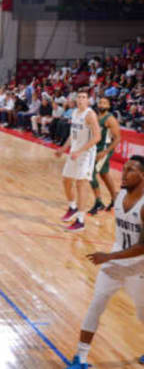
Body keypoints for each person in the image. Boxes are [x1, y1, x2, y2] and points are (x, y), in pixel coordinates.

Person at [64, 156, 144, 369]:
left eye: (131, 170)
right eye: (124, 168)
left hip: (139, 267)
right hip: (115, 262)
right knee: (96, 304)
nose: (124, 174)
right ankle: (80, 357)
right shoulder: (118, 198)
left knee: (142, 312)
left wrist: (108, 257)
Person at [56, 89, 101, 232]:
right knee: (66, 180)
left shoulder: (90, 115)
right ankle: (72, 207)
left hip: (86, 154)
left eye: (84, 97)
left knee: (81, 184)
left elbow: (97, 137)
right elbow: (72, 135)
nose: (81, 99)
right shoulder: (75, 113)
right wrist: (63, 148)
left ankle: (80, 221)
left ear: (88, 100)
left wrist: (80, 151)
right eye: (79, 97)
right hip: (74, 151)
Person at [88, 97, 121, 215]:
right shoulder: (96, 117)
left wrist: (105, 153)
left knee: (90, 173)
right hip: (95, 149)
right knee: (104, 174)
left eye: (104, 103)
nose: (101, 104)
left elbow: (117, 139)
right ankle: (116, 200)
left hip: (104, 150)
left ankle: (98, 203)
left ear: (108, 106)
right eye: (100, 102)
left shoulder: (110, 119)